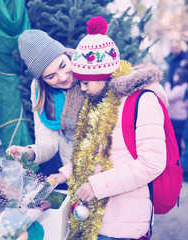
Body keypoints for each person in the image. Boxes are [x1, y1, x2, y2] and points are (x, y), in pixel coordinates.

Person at [49, 16, 167, 240]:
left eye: (86, 82)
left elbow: (152, 163)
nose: (82, 89)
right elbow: (93, 154)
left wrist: (97, 186)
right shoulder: (98, 103)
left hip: (124, 226)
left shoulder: (142, 101)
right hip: (96, 221)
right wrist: (62, 175)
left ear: (103, 76)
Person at [5, 29, 85, 183]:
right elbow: (49, 142)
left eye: (62, 65)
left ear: (66, 55)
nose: (62, 77)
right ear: (42, 79)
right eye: (50, 76)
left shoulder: (92, 75)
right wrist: (31, 152)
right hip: (71, 172)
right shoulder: (40, 91)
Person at [164, 67, 188, 156]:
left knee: (176, 138)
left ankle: (177, 157)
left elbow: (168, 97)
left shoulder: (181, 88)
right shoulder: (184, 87)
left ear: (180, 76)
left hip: (177, 117)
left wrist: (167, 84)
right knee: (177, 138)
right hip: (180, 116)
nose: (174, 76)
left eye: (176, 75)